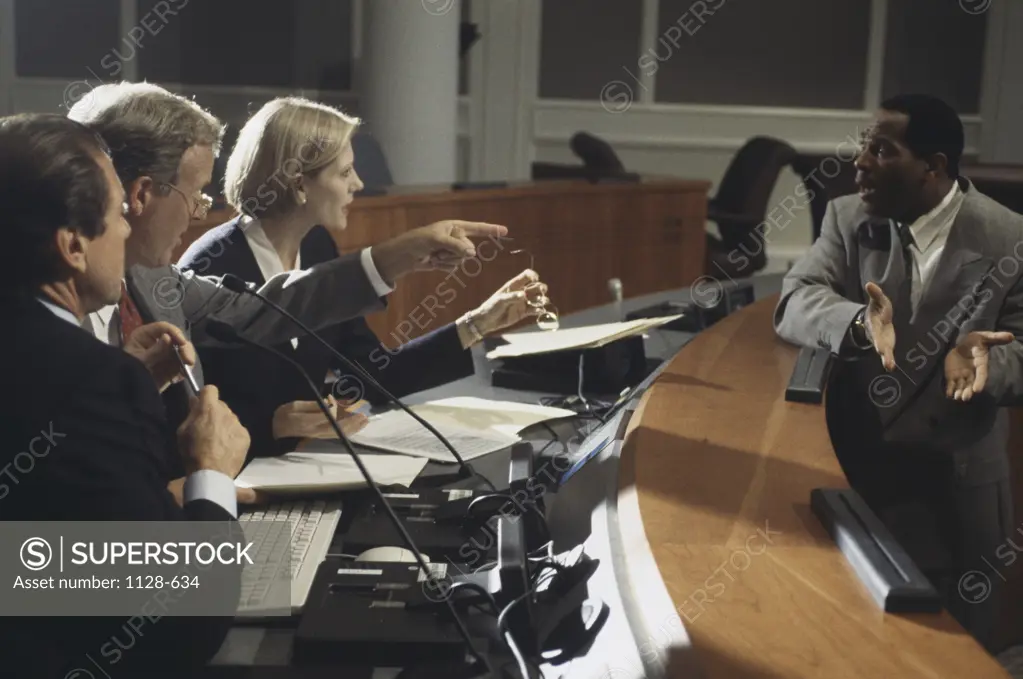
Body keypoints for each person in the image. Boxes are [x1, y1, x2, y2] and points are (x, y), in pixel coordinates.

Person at [66, 82, 508, 465]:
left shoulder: (156, 280)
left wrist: (399, 259)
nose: (200, 212)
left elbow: (268, 311)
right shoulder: (51, 309)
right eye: (197, 194)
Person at [0, 113, 249, 675]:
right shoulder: (92, 381)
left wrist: (118, 379)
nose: (130, 229)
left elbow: (36, 559)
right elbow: (182, 622)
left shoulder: (93, 375)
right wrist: (212, 473)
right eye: (117, 215)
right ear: (72, 246)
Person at [773, 94, 1023, 651]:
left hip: (958, 478)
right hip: (863, 468)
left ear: (932, 168)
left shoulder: (1010, 238)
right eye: (865, 144)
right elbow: (795, 300)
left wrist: (987, 360)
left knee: (959, 646)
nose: (859, 161)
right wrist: (858, 323)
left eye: (881, 150)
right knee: (858, 639)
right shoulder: (847, 218)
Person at [178, 97, 545, 456]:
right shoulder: (210, 264)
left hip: (302, 471)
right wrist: (269, 425)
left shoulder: (318, 246)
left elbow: (374, 374)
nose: (358, 183)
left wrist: (477, 324)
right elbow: (182, 422)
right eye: (344, 172)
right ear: (299, 183)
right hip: (226, 488)